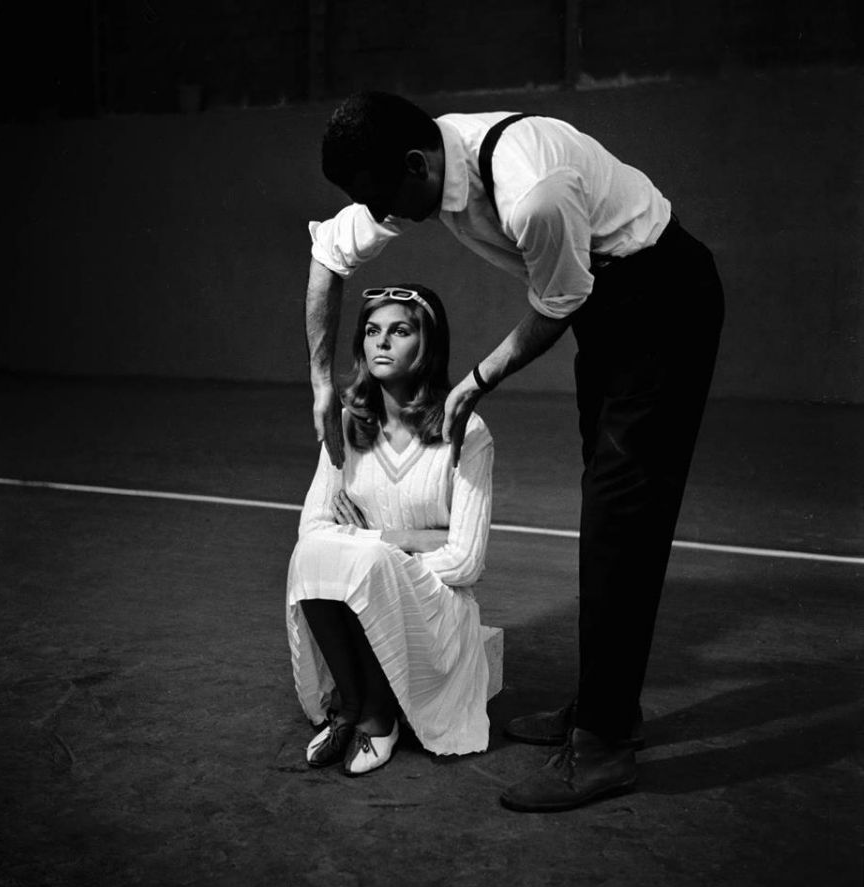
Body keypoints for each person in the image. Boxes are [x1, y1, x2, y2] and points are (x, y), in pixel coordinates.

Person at [302, 91, 724, 808]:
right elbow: (328, 255)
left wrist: (473, 382)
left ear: (416, 165)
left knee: (622, 516)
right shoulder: (415, 170)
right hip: (606, 305)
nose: (379, 217)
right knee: (609, 504)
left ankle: (604, 745)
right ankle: (606, 706)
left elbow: (559, 302)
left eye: (381, 200)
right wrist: (320, 382)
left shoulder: (531, 190)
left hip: (662, 299)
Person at [286, 283, 494, 776]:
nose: (381, 342)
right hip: (368, 591)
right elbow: (313, 531)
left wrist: (375, 542)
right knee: (312, 556)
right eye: (371, 330)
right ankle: (351, 706)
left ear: (428, 344)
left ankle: (380, 718)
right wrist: (420, 539)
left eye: (399, 331)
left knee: (365, 562)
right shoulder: (346, 423)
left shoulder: (467, 431)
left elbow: (466, 561)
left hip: (435, 608)